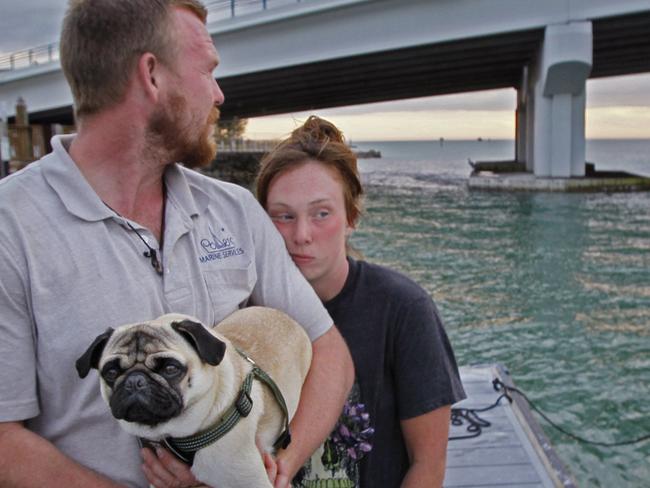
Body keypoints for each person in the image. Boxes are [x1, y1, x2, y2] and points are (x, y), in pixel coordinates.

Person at [0, 2, 353, 487]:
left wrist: (275, 466)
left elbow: (328, 351)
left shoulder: (235, 211)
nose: (219, 94)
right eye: (208, 71)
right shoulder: (10, 227)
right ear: (151, 74)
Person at [255, 116, 467, 487]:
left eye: (321, 213)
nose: (301, 235)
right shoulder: (249, 315)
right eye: (283, 217)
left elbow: (428, 466)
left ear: (351, 217)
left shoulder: (404, 309)